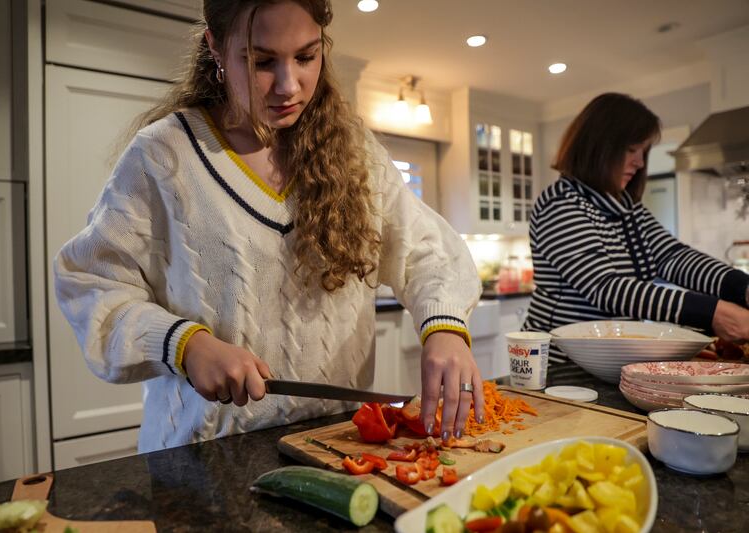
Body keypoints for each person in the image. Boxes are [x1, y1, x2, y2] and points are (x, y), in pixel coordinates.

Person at [53, 0, 482, 453]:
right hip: (203, 456)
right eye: (261, 61)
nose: (289, 85)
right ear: (215, 47)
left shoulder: (355, 152)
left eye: (306, 56)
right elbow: (92, 285)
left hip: (337, 447)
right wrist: (186, 345)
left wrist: (444, 329)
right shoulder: (164, 155)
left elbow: (428, 252)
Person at [523, 92, 749, 359]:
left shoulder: (626, 208)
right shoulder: (560, 204)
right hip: (560, 362)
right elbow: (606, 287)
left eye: (643, 152)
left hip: (608, 358)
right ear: (598, 147)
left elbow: (673, 257)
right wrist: (712, 312)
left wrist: (741, 287)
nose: (640, 163)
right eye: (631, 150)